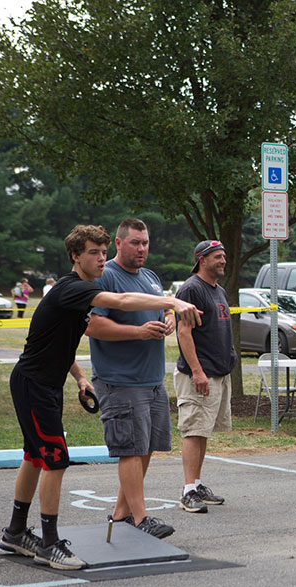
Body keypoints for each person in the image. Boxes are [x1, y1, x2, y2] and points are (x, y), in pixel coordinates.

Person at [0, 225, 200, 570]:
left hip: (46, 383)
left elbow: (57, 341)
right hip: (33, 383)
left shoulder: (81, 291)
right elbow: (120, 301)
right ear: (76, 256)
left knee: (35, 456)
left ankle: (15, 532)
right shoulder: (72, 289)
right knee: (56, 459)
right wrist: (171, 299)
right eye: (93, 252)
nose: (101, 258)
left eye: (104, 252)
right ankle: (49, 543)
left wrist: (78, 378)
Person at [85, 218, 176, 539]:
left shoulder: (150, 277)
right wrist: (138, 332)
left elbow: (165, 310)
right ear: (119, 244)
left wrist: (168, 321)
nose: (142, 249)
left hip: (152, 379)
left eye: (146, 243)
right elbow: (93, 326)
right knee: (129, 448)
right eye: (135, 243)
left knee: (146, 446)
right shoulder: (105, 276)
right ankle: (141, 518)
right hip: (119, 380)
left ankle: (122, 514)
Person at [174, 240, 237, 513]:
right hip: (198, 374)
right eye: (218, 257)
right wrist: (197, 371)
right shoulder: (191, 289)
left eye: (224, 256)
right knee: (193, 430)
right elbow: (183, 333)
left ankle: (197, 484)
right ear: (202, 260)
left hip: (218, 373)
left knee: (203, 432)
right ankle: (188, 491)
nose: (223, 260)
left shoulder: (218, 290)